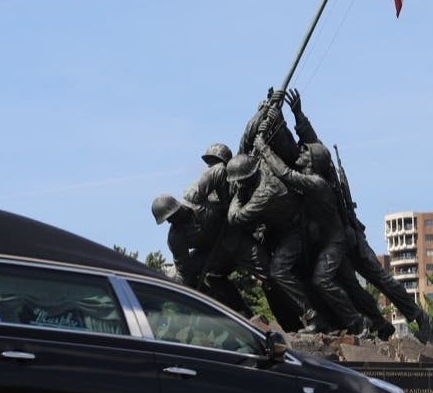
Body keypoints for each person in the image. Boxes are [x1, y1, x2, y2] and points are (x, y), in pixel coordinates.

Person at [285, 89, 433, 342]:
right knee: (352, 287)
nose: (301, 153)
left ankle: (418, 315)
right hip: (336, 240)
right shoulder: (317, 168)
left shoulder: (322, 174)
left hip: (351, 235)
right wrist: (297, 115)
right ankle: (379, 324)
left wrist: (299, 116)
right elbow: (313, 143)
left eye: (305, 153)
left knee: (380, 279)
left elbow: (315, 144)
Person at [254, 133, 367, 336]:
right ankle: (329, 322)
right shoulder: (313, 180)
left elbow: (286, 174)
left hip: (334, 242)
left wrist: (264, 149)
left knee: (321, 280)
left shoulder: (317, 183)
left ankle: (357, 322)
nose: (301, 152)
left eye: (306, 152)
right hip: (318, 241)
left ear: (314, 162)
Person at [224, 152, 309, 331]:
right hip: (277, 231)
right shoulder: (261, 166)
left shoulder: (265, 191)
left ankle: (312, 315)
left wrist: (238, 196)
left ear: (246, 178)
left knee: (278, 272)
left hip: (295, 231)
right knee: (270, 282)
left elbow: (235, 218)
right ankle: (292, 325)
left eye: (240, 181)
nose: (239, 184)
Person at [150, 194, 250, 317]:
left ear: (178, 209)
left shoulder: (201, 203)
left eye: (170, 217)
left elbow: (230, 205)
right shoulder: (175, 238)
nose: (169, 221)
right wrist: (189, 295)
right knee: (207, 278)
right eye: (166, 220)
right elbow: (184, 271)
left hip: (236, 239)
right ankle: (228, 309)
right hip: (210, 254)